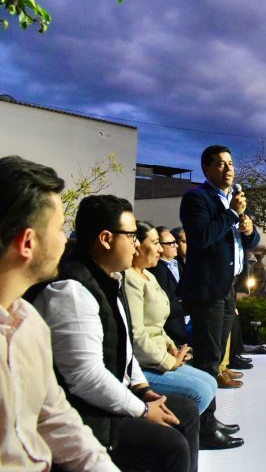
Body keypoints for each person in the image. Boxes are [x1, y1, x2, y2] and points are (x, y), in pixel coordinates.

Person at [33, 195, 200, 472]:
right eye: (132, 236)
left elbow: (125, 349)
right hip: (87, 412)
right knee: (171, 445)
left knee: (187, 412)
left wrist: (144, 390)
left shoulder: (111, 278)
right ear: (106, 239)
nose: (136, 244)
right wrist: (142, 410)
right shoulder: (72, 290)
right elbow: (85, 378)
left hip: (115, 397)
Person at [0, 157, 119, 471]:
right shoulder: (67, 293)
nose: (66, 239)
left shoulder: (30, 323)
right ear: (27, 243)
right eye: (59, 228)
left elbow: (55, 417)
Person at [126, 221, 243, 449]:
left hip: (161, 353)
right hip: (145, 364)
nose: (160, 249)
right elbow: (136, 335)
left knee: (210, 381)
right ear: (137, 246)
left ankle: (200, 428)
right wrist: (169, 360)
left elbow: (157, 325)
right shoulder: (130, 280)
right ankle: (181, 435)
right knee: (201, 391)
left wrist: (171, 347)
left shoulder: (148, 275)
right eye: (156, 243)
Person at [178, 145, 260, 385]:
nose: (228, 169)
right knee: (209, 342)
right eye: (221, 164)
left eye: (231, 164)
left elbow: (250, 242)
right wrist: (232, 213)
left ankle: (219, 370)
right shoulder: (196, 198)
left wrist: (249, 231)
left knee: (222, 336)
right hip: (208, 283)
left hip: (228, 283)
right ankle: (207, 384)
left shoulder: (235, 200)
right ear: (206, 168)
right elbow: (202, 237)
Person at [148, 226, 189, 345]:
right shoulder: (157, 270)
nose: (176, 246)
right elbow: (167, 306)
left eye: (175, 242)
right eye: (171, 243)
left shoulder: (178, 264)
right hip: (176, 331)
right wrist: (193, 307)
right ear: (160, 246)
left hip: (188, 322)